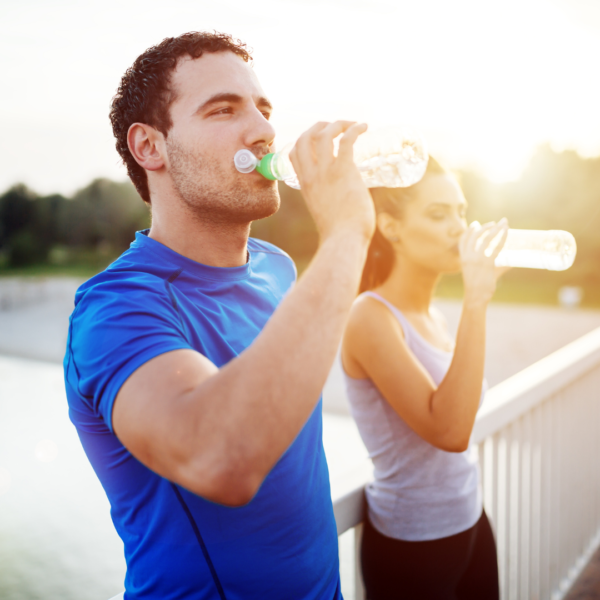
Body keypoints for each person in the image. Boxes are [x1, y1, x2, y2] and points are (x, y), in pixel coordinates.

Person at [64, 31, 375, 599]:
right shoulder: (114, 309)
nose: (263, 130)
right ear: (150, 148)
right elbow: (220, 459)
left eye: (263, 108)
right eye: (223, 109)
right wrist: (348, 233)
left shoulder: (276, 267)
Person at [341, 158, 507, 599]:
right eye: (438, 214)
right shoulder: (370, 317)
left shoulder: (432, 314)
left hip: (469, 519)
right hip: (413, 544)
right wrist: (477, 300)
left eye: (461, 211)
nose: (459, 228)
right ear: (391, 227)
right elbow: (450, 430)